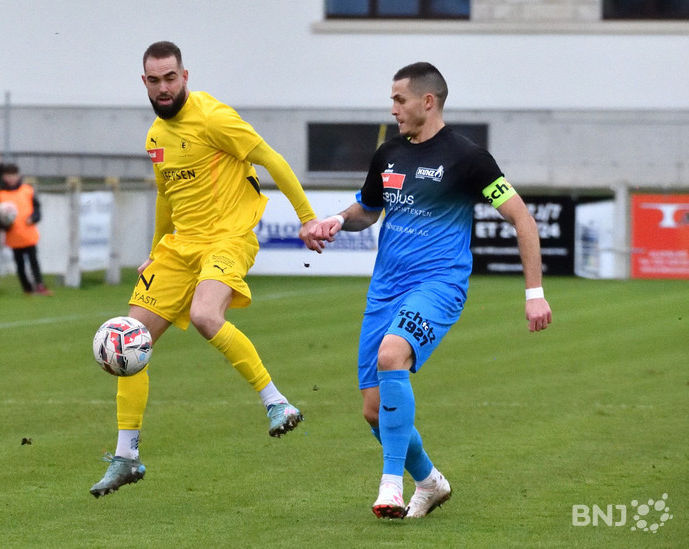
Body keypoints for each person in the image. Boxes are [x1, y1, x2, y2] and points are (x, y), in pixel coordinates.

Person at [308, 62, 552, 519]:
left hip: (438, 285)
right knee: (374, 411)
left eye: (399, 100)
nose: (393, 109)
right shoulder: (388, 153)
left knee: (391, 356)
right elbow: (369, 208)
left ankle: (390, 485)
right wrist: (337, 220)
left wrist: (533, 293)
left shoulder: (468, 158)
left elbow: (522, 218)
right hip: (385, 289)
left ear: (427, 101)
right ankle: (429, 482)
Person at [89, 41, 322, 498]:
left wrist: (307, 218)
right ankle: (126, 457)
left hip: (227, 238)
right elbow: (166, 196)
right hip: (180, 247)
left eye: (170, 78)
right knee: (128, 339)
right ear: (144, 82)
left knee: (204, 315)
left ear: (185, 75)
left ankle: (276, 402)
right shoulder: (155, 137)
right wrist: (155, 250)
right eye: (154, 80)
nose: (163, 87)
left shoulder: (214, 118)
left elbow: (271, 159)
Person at [0, 163, 52, 296]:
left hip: (29, 234)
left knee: (33, 261)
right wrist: (5, 224)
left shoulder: (27, 190)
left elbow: (37, 209)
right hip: (14, 235)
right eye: (8, 175)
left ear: (18, 176)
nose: (11, 178)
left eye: (13, 175)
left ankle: (39, 285)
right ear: (4, 177)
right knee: (19, 264)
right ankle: (27, 288)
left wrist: (34, 218)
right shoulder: (1, 194)